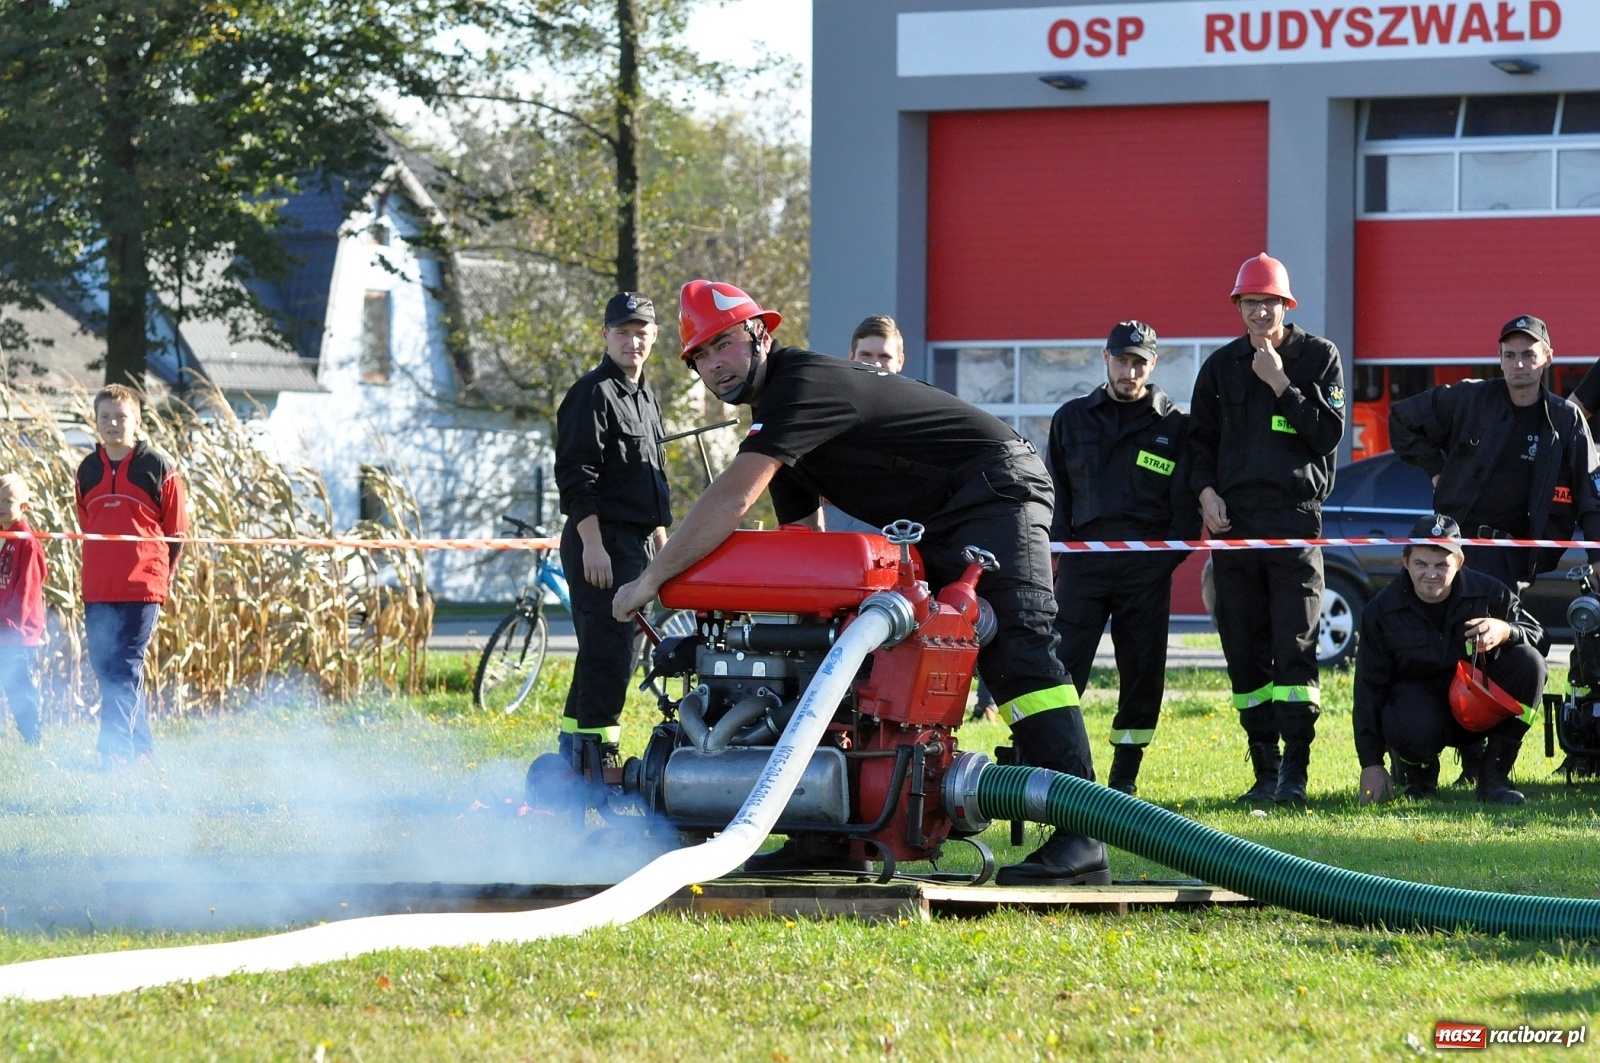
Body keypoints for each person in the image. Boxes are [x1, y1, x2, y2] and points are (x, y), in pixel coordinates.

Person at [612, 279, 1108, 886]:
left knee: (1020, 652)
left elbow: (732, 498)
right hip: (940, 515)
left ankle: (1083, 837)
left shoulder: (801, 387)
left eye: (724, 345)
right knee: (832, 655)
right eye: (701, 357)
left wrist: (651, 581)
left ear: (761, 335)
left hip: (996, 490)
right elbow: (802, 537)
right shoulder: (780, 421)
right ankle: (829, 834)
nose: (715, 364)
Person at [1189, 254, 1345, 806]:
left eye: (1268, 302)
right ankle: (1263, 770)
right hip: (1234, 530)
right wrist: (1205, 494)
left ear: (1286, 305)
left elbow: (1328, 435)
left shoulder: (1318, 357)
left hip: (1295, 523)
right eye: (1249, 302)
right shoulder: (1219, 367)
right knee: (1245, 652)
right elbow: (1198, 444)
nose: (1259, 311)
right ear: (1239, 306)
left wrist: (1280, 381)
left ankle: (1295, 775)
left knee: (1295, 650)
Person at [1048, 321, 1199, 796]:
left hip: (1145, 572)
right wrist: (1060, 558)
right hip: (1082, 567)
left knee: (1142, 676)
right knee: (1062, 668)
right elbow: (1058, 497)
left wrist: (1156, 567)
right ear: (1105, 358)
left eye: (1139, 362)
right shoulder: (1070, 419)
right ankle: (1057, 762)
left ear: (1152, 365)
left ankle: (1124, 777)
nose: (1129, 370)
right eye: (1121, 359)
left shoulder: (1174, 426)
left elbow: (1185, 516)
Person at [1390, 315, 1600, 594]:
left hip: (1511, 555)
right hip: (1452, 547)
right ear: (1499, 359)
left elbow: (1591, 493)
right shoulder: (1469, 398)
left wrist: (1597, 556)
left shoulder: (1565, 419)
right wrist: (1437, 472)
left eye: (1529, 354)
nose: (1519, 364)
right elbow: (1401, 419)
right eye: (1510, 355)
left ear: (1548, 358)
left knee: (1495, 633)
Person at [552, 292, 672, 774]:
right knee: (611, 654)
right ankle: (598, 762)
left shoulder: (644, 395)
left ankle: (572, 757)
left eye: (641, 331)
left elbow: (652, 476)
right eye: (622, 331)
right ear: (605, 335)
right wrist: (593, 545)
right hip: (602, 542)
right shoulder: (592, 393)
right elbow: (576, 475)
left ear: (654, 336)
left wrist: (663, 542)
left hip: (639, 542)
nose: (633, 340)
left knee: (603, 652)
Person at [1354, 516, 1542, 805]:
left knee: (1530, 662)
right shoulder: (1381, 610)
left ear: (1460, 562)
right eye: (1421, 564)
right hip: (1418, 715)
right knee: (1407, 717)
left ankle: (1495, 775)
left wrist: (1505, 630)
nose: (1431, 574)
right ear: (1405, 561)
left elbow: (1539, 636)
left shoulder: (1489, 592)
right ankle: (1418, 776)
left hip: (1479, 710)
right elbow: (1368, 689)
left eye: (1442, 564)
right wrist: (1370, 763)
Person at [76, 384, 188, 768]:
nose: (112, 423)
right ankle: (141, 750)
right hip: (97, 587)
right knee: (107, 669)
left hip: (142, 587)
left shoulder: (158, 467)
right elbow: (87, 523)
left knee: (125, 666)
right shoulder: (87, 470)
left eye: (120, 417)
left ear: (137, 421)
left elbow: (177, 533)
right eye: (105, 417)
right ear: (96, 421)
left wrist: (157, 576)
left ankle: (113, 756)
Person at [0, 473, 45, 746]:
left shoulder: (26, 542)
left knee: (18, 688)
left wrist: (10, 624)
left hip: (17, 632)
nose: (1, 505)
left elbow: (26, 589)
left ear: (24, 506)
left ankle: (32, 738)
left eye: (8, 500)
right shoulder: (5, 538)